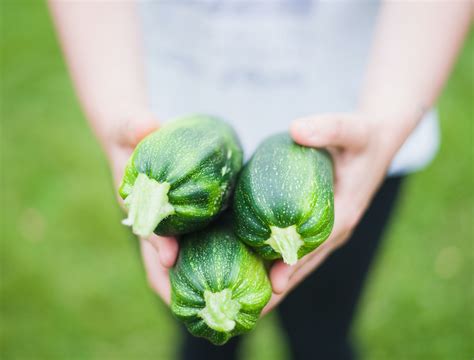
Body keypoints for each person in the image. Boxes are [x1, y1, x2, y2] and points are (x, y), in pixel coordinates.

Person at [49, 1, 471, 359]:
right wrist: (114, 114)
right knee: (202, 338)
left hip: (358, 130)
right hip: (166, 125)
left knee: (323, 331)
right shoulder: (156, 173)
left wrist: (387, 123)